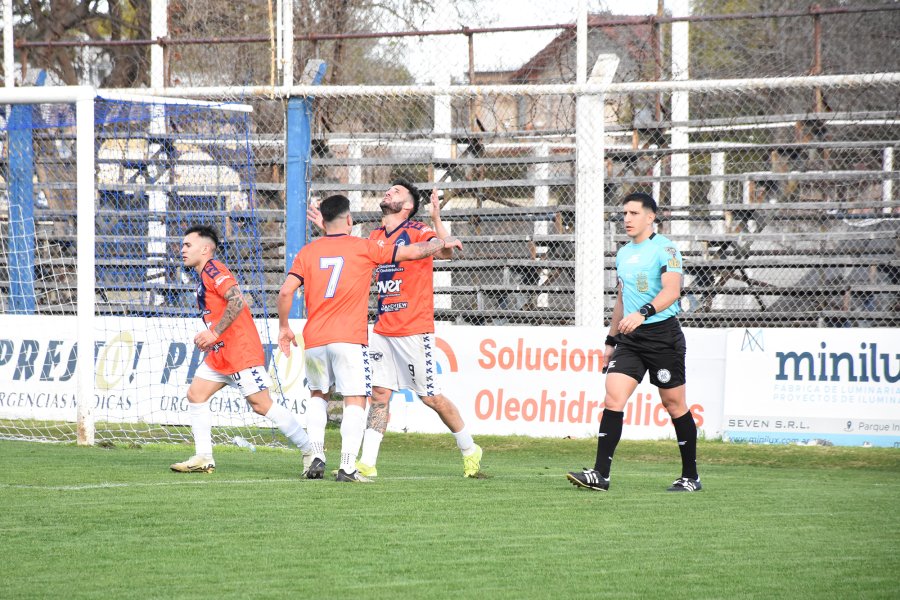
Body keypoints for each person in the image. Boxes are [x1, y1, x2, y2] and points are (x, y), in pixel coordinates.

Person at [278, 194, 461, 483]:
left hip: (313, 339)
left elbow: (286, 292)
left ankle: (315, 455)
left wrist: (284, 328)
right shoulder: (364, 248)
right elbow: (414, 253)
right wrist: (441, 242)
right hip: (349, 339)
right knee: (355, 399)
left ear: (323, 222)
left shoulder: (308, 252)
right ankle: (348, 467)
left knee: (317, 395)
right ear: (349, 220)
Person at [327, 179, 484, 479]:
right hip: (383, 328)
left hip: (414, 329)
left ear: (409, 206)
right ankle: (367, 463)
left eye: (396, 192)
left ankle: (469, 449)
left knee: (430, 397)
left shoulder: (416, 231)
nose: (389, 192)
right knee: (380, 395)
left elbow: (445, 253)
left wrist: (438, 220)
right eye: (389, 190)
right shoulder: (374, 236)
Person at [566, 192, 701, 492]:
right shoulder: (624, 254)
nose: (626, 219)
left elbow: (672, 291)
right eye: (624, 213)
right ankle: (601, 475)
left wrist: (644, 313)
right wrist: (611, 339)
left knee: (674, 404)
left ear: (650, 217)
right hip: (630, 338)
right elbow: (622, 298)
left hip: (663, 336)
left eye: (633, 213)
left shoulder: (666, 249)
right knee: (613, 396)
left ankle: (691, 476)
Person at [171, 225, 315, 474]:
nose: (182, 250)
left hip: (239, 351)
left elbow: (237, 300)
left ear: (205, 249)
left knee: (261, 405)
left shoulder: (214, 268)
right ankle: (203, 457)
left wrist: (214, 332)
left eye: (187, 245)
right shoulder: (204, 273)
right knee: (196, 395)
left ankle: (310, 450)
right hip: (220, 353)